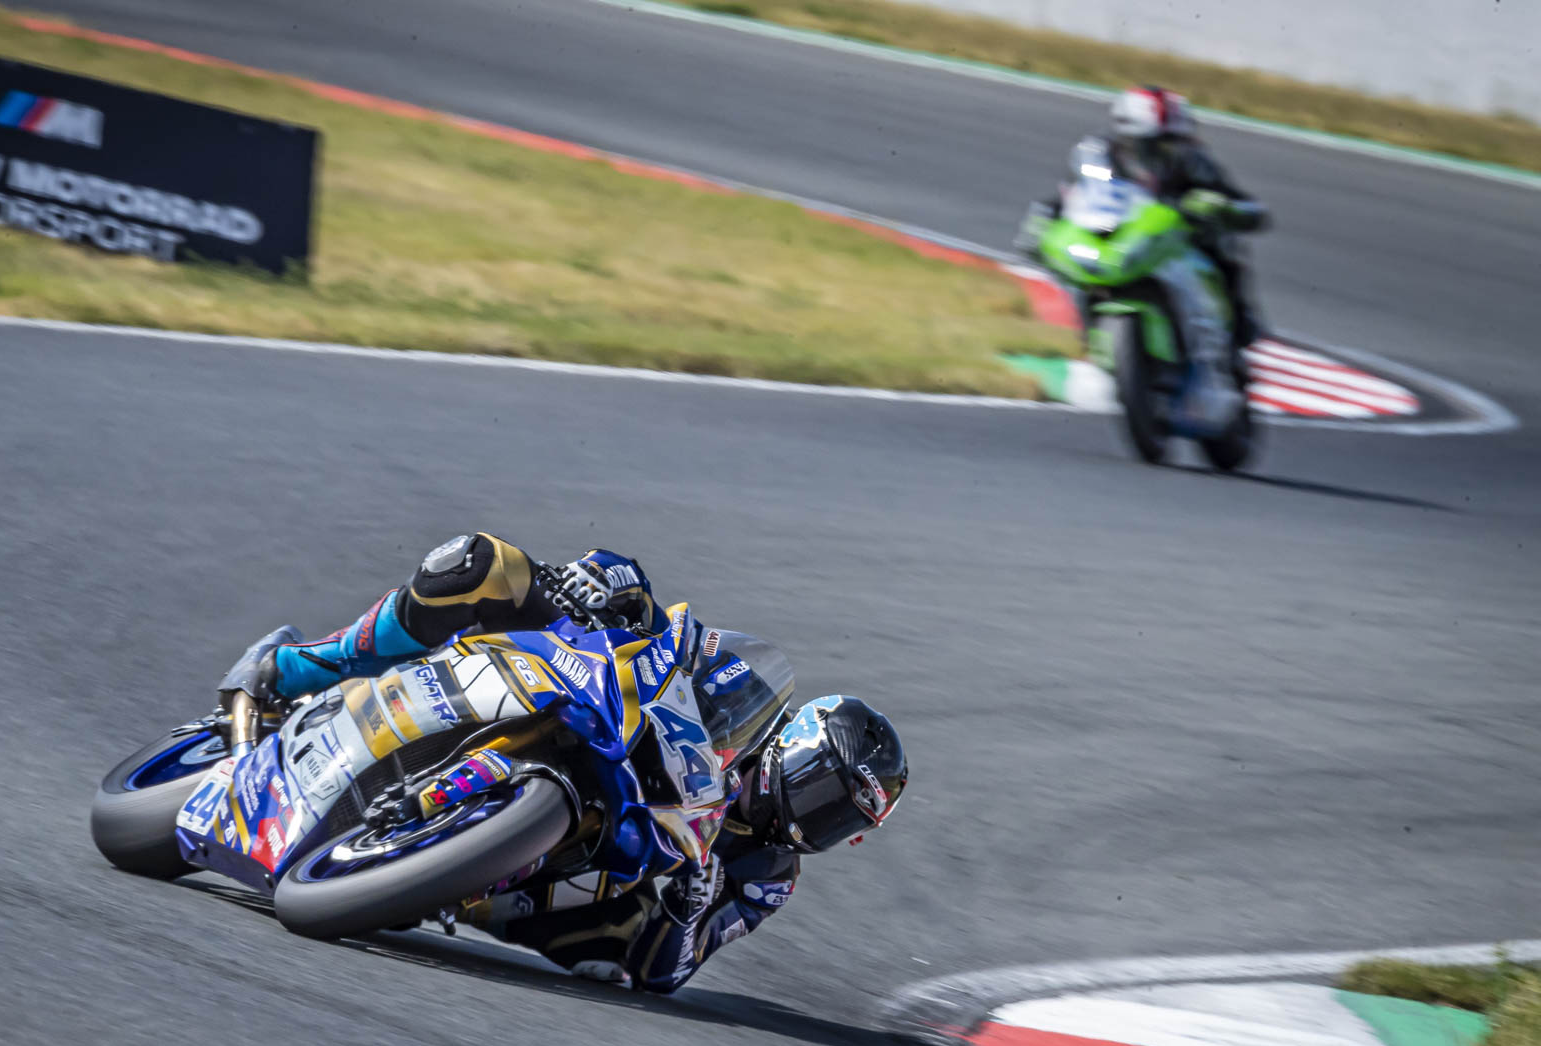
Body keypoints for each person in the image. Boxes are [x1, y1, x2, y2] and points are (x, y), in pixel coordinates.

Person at [231, 532, 908, 993]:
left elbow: (669, 973)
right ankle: (300, 666)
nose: (814, 822)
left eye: (839, 821)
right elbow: (674, 632)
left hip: (589, 867)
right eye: (824, 795)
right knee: (480, 563)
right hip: (601, 716)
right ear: (796, 747)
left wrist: (688, 907)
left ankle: (437, 875)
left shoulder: (768, 876)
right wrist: (610, 582)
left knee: (618, 954)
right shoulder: (742, 690)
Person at [1023, 86, 1270, 422]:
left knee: (1223, 246)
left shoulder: (1192, 162)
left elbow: (1246, 206)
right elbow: (1078, 193)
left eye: (1169, 143)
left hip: (1179, 242)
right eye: (1151, 143)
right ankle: (1094, 346)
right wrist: (1045, 217)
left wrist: (1220, 206)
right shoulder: (1097, 157)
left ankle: (1238, 324)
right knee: (1079, 267)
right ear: (1124, 136)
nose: (1160, 151)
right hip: (1123, 239)